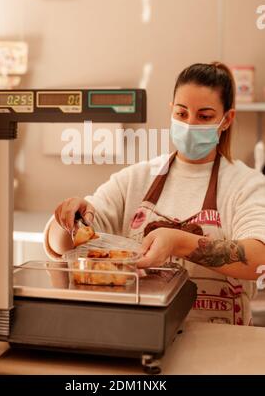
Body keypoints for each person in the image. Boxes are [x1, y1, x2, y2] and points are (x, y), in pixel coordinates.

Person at [44, 62, 265, 325]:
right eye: (182, 114)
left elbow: (258, 258)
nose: (190, 124)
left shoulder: (246, 184)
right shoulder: (136, 178)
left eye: (204, 117)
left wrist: (178, 243)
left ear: (226, 119)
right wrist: (67, 219)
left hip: (219, 346)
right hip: (141, 334)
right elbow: (64, 245)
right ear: (172, 111)